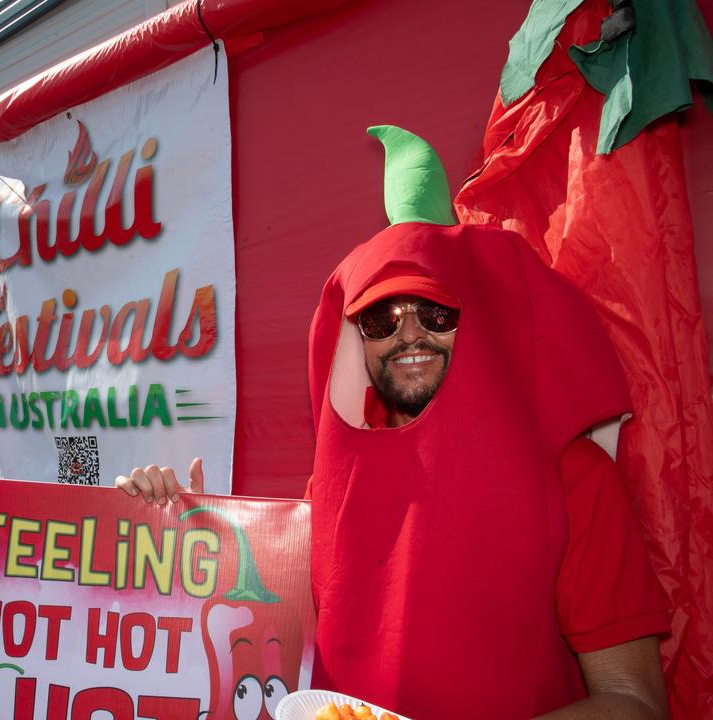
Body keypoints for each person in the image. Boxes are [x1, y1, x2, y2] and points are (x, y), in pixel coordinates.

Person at [117, 128, 670, 719]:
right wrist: (183, 528)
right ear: (357, 339)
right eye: (382, 318)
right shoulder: (331, 487)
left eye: (435, 311)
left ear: (479, 319)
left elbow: (635, 703)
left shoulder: (574, 478)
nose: (408, 333)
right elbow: (256, 628)